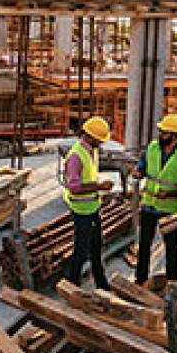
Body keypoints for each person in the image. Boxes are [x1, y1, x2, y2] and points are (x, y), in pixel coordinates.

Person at [133, 114, 177, 286]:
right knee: (144, 246)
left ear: (175, 136)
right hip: (149, 206)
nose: (160, 135)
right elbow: (142, 167)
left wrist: (169, 195)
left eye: (165, 133)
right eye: (161, 132)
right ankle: (140, 280)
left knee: (171, 247)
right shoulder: (152, 148)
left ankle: (172, 282)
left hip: (169, 209)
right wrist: (138, 171)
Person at [62, 115, 114, 289]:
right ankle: (72, 284)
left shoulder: (91, 150)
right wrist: (99, 186)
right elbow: (74, 187)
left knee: (96, 247)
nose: (101, 143)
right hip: (81, 210)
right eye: (99, 140)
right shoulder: (76, 156)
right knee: (81, 250)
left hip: (92, 207)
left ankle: (101, 283)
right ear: (89, 136)